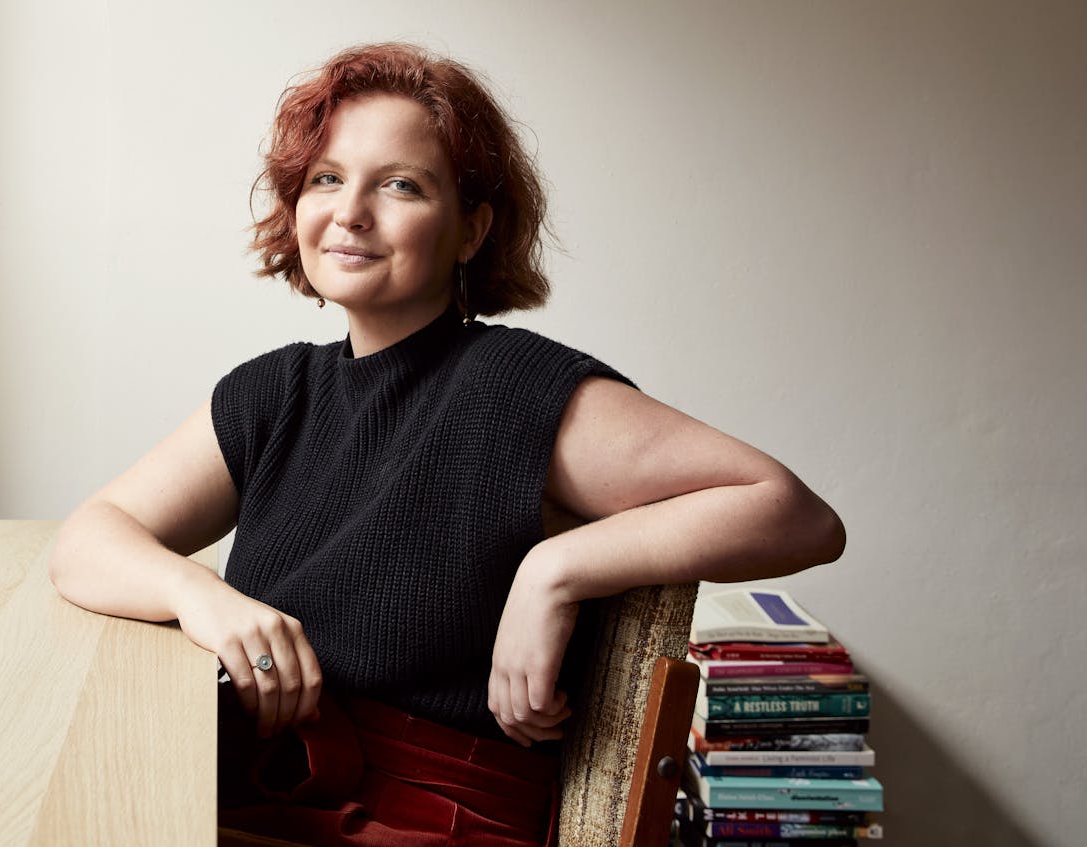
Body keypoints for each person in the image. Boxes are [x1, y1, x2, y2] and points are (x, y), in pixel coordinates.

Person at [49, 43, 845, 847]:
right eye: (327, 178)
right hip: (250, 787)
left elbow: (794, 512)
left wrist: (554, 570)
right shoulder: (274, 391)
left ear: (471, 230)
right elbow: (88, 538)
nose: (351, 210)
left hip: (426, 818)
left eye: (401, 184)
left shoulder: (516, 386)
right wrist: (205, 600)